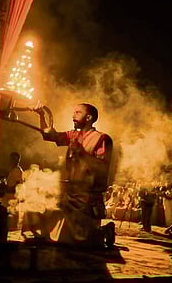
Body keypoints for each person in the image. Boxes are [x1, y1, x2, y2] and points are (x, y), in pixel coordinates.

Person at [33, 103, 115, 247]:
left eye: (78, 112)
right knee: (58, 234)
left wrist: (82, 153)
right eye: (74, 113)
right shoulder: (73, 135)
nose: (73, 116)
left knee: (82, 240)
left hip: (88, 196)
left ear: (89, 117)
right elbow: (49, 135)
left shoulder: (102, 139)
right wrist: (41, 115)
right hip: (71, 192)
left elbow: (102, 166)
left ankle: (104, 231)